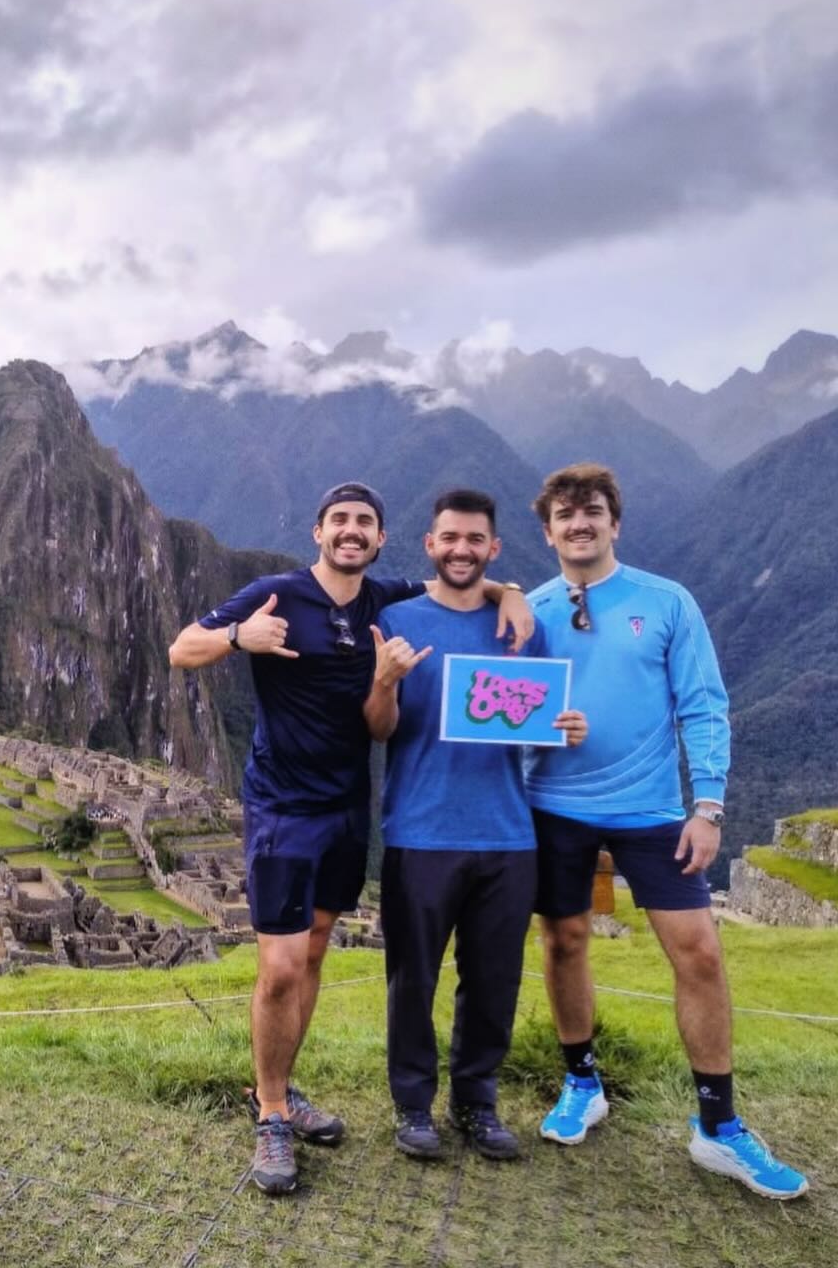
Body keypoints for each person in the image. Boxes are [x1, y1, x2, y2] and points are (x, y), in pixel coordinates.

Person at [168, 481, 531, 1196]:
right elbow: (182, 648)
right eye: (339, 521)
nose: (351, 532)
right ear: (318, 532)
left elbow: (457, 576)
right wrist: (241, 637)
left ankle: (284, 1090)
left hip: (346, 810)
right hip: (281, 808)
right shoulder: (276, 593)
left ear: (380, 538)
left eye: (364, 522)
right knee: (278, 967)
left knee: (311, 956)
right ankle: (270, 1111)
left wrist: (509, 590)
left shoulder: (381, 599)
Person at [526, 462, 808, 1200]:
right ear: (548, 530)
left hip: (652, 811)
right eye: (564, 514)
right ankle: (581, 1081)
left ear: (614, 522)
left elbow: (703, 705)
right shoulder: (531, 610)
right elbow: (506, 711)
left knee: (700, 954)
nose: (579, 523)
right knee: (563, 940)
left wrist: (707, 806)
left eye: (592, 511)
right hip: (553, 807)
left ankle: (719, 1125)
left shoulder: (666, 602)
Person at [364, 489, 586, 1163]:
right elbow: (379, 730)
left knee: (494, 980)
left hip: (507, 834)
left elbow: (533, 725)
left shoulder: (521, 627)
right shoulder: (396, 620)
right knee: (413, 979)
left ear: (493, 550)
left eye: (475, 540)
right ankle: (412, 1105)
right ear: (429, 545)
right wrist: (382, 682)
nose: (461, 549)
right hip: (420, 831)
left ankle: (476, 1101)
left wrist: (565, 729)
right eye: (448, 538)